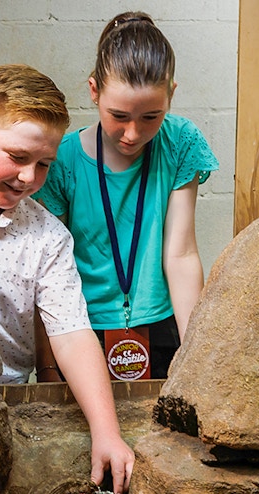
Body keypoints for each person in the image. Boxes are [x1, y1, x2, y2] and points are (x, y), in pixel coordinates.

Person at [0, 64, 134, 494]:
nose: (30, 177)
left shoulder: (48, 237)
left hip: (2, 405)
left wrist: (107, 431)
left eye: (44, 163)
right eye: (17, 157)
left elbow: (71, 334)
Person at [34, 12, 219, 379]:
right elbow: (49, 271)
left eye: (151, 117)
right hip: (81, 332)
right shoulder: (65, 158)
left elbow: (181, 254)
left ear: (171, 94)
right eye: (118, 115)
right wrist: (48, 367)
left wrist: (196, 359)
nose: (132, 134)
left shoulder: (179, 142)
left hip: (164, 328)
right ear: (93, 91)